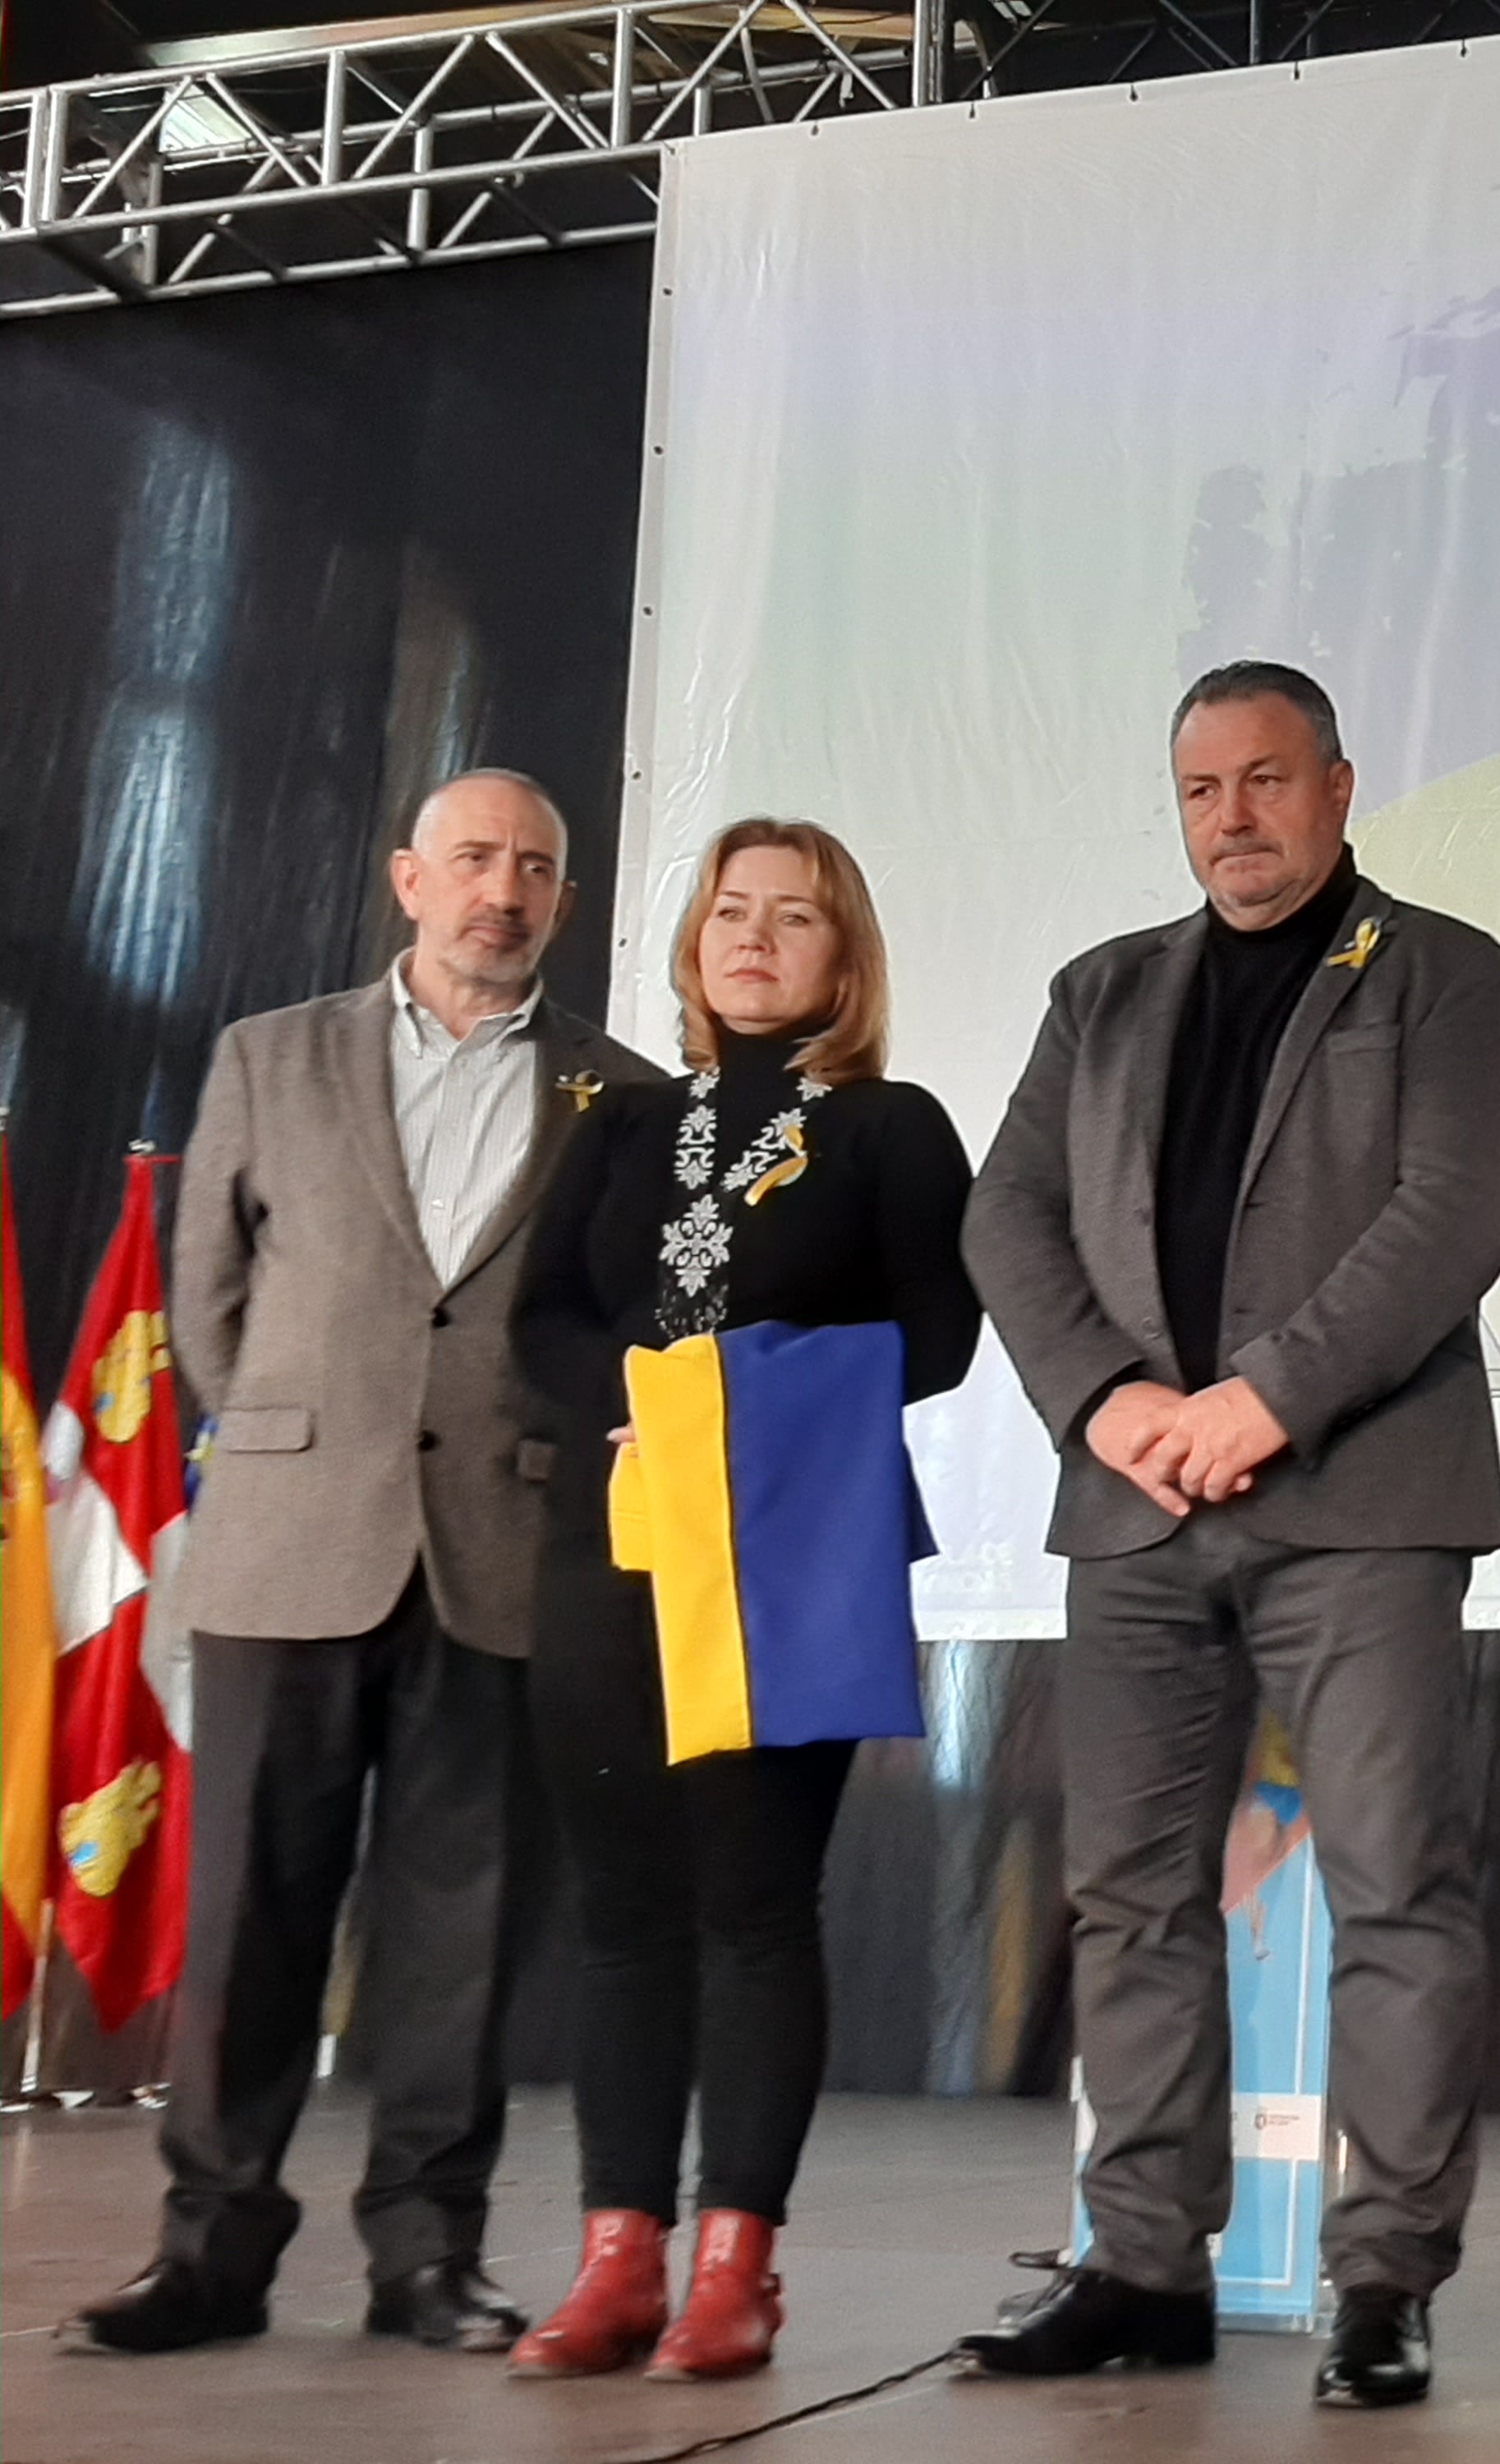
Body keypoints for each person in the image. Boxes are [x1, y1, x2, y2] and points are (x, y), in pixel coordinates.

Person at [956, 660, 1500, 2411]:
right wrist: (1107, 1403)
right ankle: (1140, 2263)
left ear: (1338, 789)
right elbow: (1008, 1214)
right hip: (1131, 1505)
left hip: (1355, 1498)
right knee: (1127, 1897)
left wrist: (1263, 1397)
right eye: (1202, 788)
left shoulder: (1437, 969)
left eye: (1267, 780)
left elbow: (1455, 1207)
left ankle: (1383, 2283)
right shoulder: (1103, 990)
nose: (1234, 817)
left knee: (1393, 1889)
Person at [61, 771, 656, 2358]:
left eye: (535, 869)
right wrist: (309, 1441)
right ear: (409, 877)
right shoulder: (272, 1054)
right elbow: (212, 1309)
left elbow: (613, 1326)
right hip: (292, 1542)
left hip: (505, 1548)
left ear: (565, 903)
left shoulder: (622, 1092)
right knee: (252, 1910)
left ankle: (427, 2257)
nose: (502, 892)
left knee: (465, 1932)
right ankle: (210, 2251)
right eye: (474, 860)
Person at [501, 818, 977, 2380]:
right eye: (729, 912)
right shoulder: (621, 1120)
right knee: (625, 1918)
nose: (753, 938)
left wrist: (750, 1409)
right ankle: (616, 2259)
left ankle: (735, 2271)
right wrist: (637, 1398)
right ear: (693, 941)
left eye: (794, 917)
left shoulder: (890, 1126)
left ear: (847, 957)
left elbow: (938, 1338)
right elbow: (545, 1318)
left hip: (786, 1546)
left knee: (755, 1909)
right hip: (615, 1544)